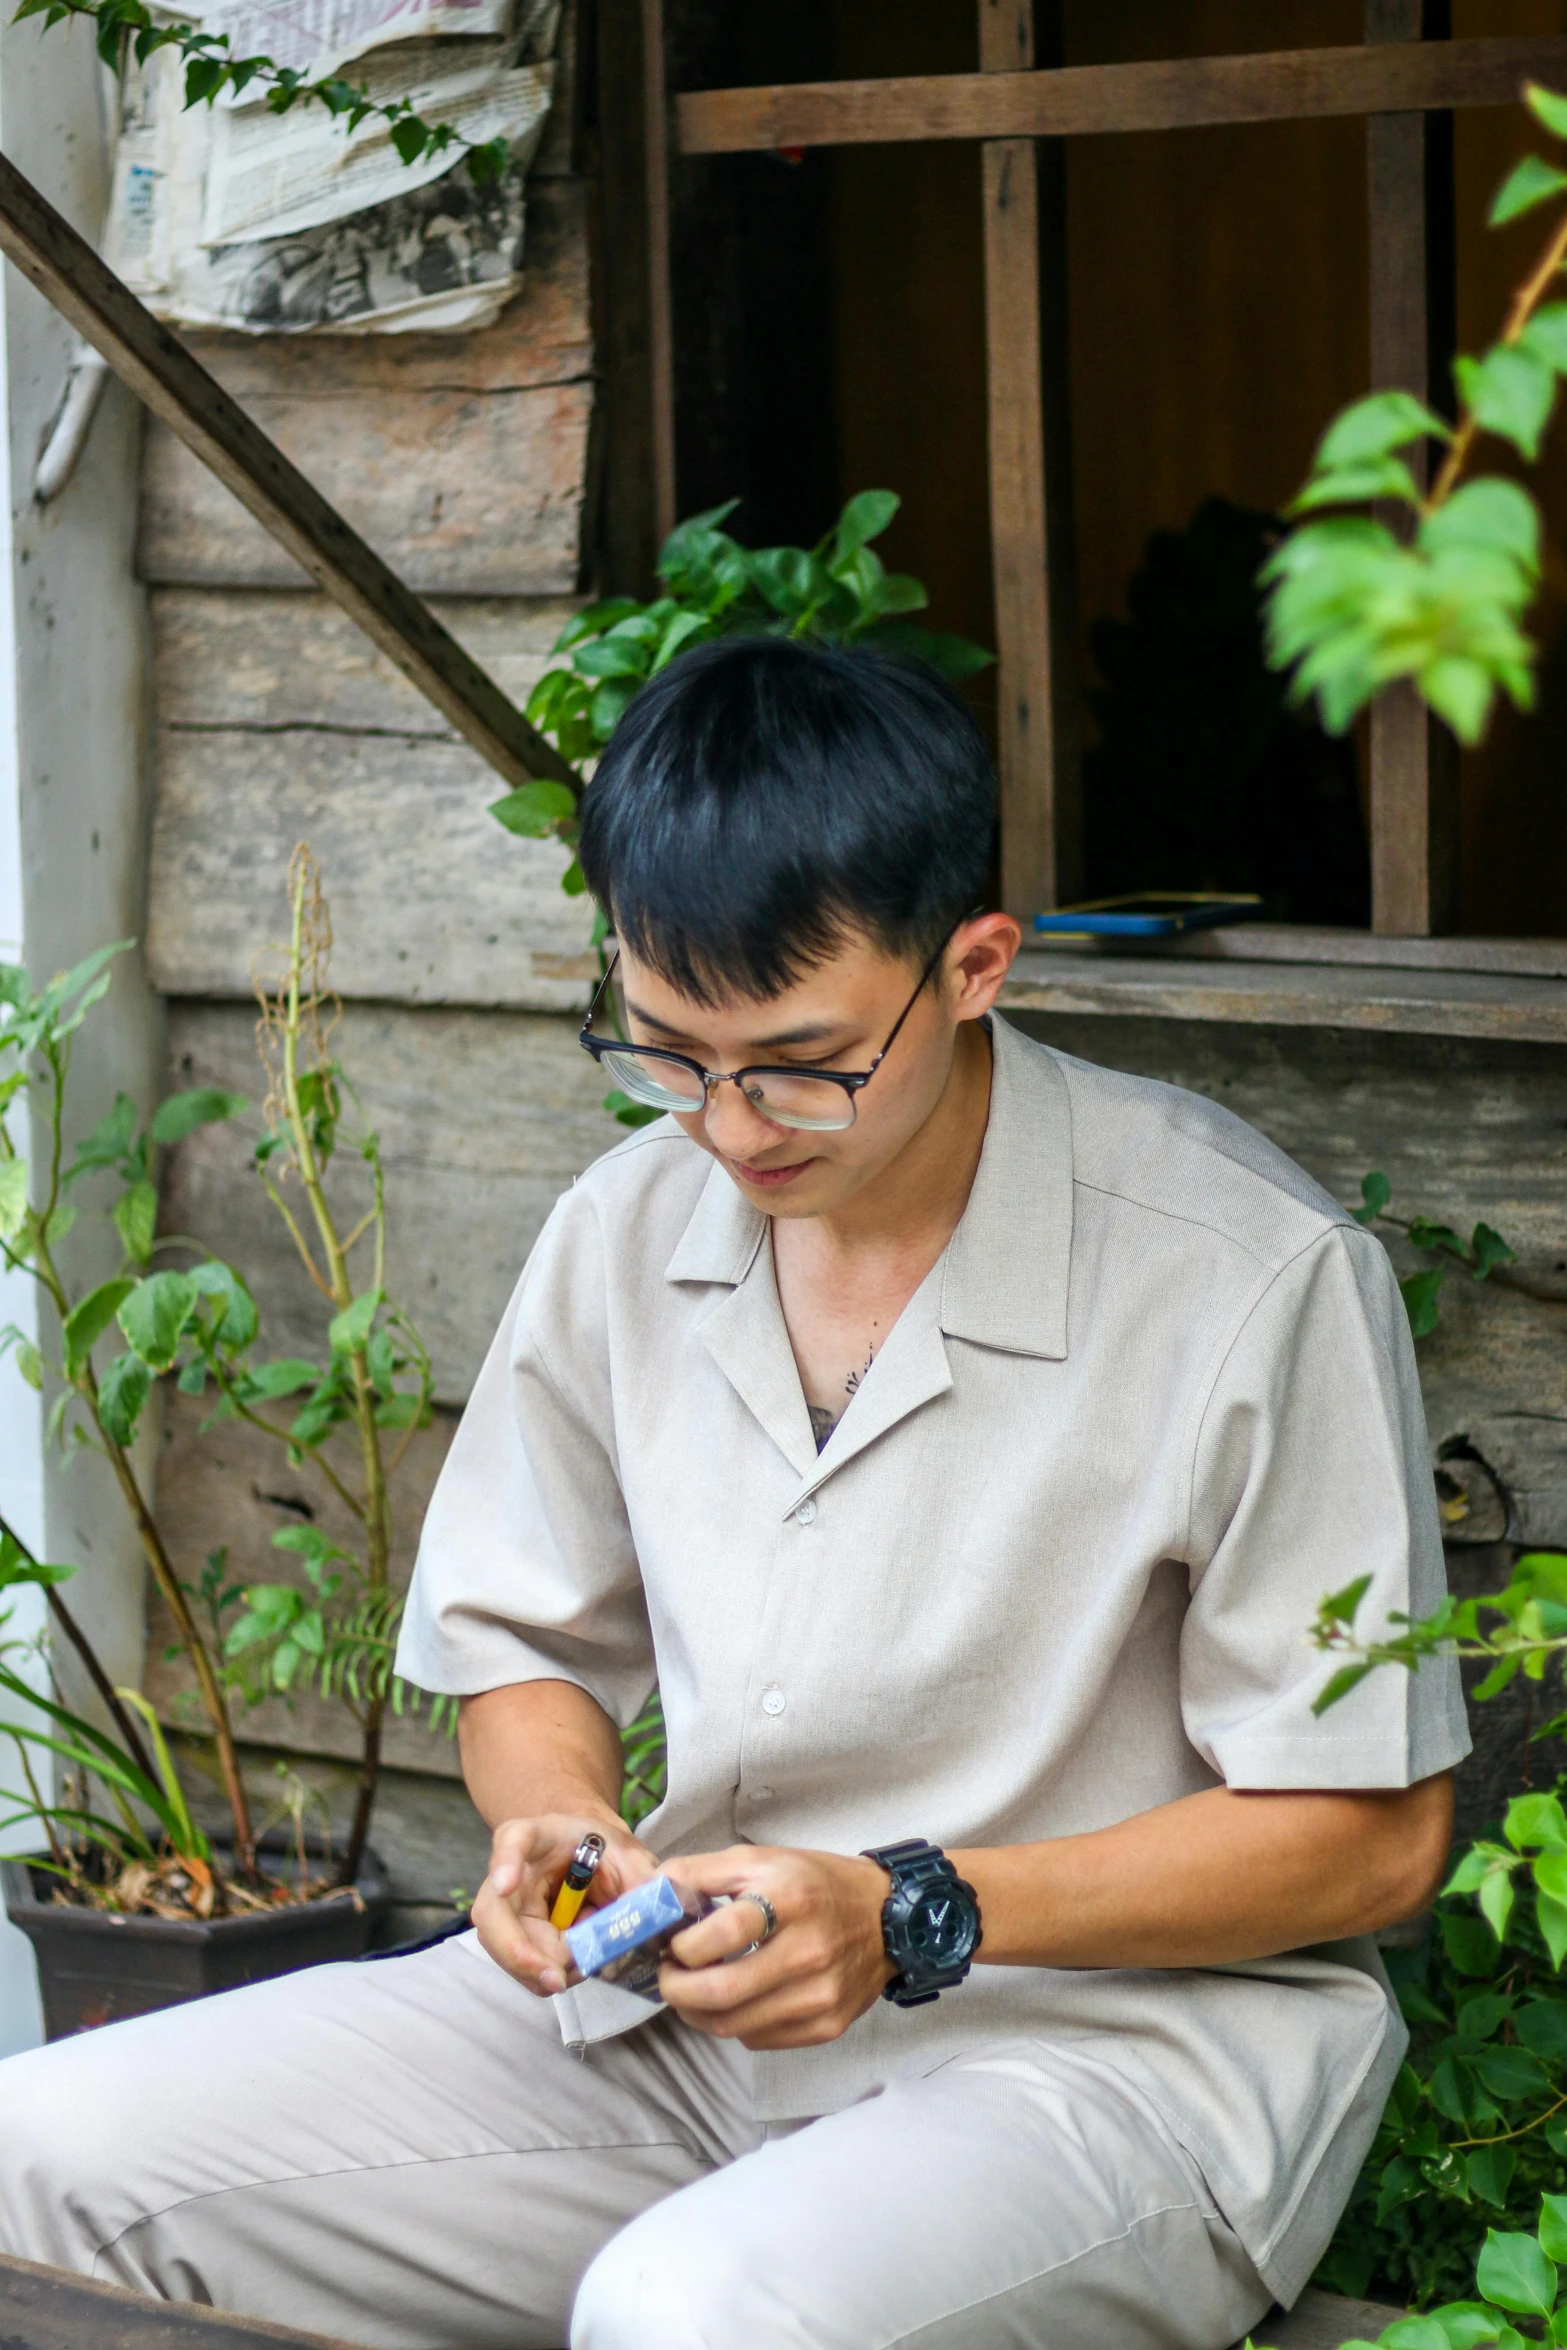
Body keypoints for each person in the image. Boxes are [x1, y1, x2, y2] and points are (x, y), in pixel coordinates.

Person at [0, 639, 1467, 2350]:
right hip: (683, 2018)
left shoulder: (1244, 1274)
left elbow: (1375, 1830)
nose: (730, 1126)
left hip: (1114, 2062)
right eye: (665, 1052)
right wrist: (556, 1822)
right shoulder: (627, 1224)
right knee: (40, 2153)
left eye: (799, 1061)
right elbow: (523, 1638)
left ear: (975, 963)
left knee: (691, 2313)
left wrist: (918, 1907)